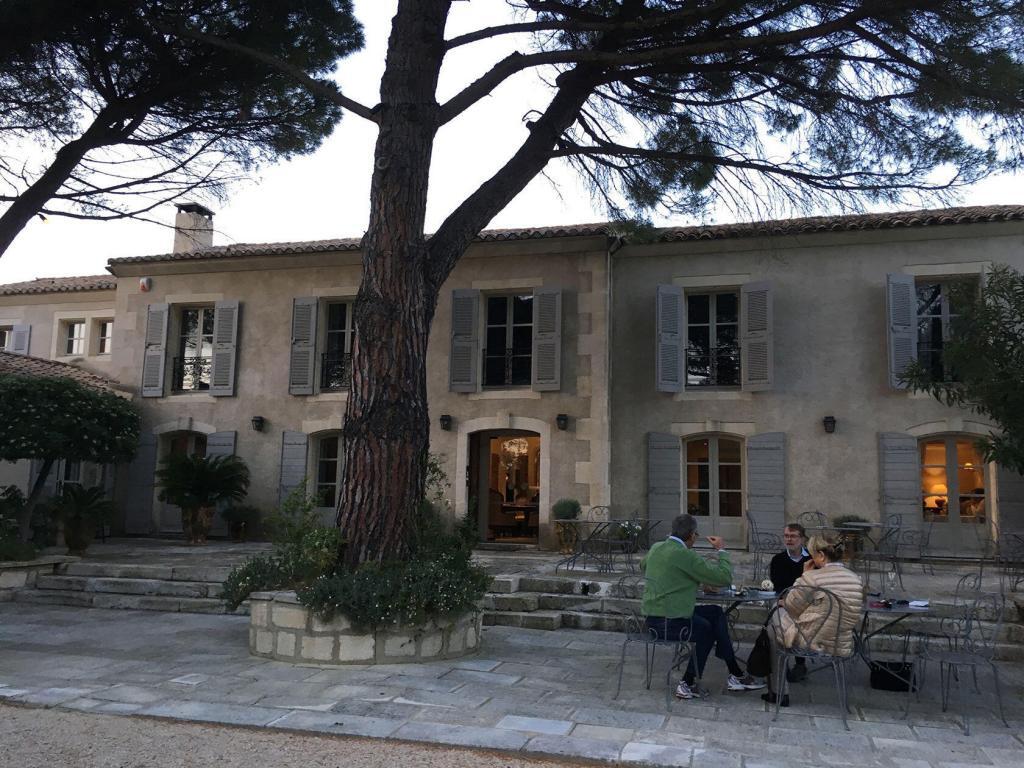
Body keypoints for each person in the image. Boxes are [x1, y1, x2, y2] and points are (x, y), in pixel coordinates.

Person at [641, 513, 765, 699]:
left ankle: (735, 673)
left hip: (653, 617)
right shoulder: (685, 555)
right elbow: (723, 578)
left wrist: (684, 581)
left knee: (715, 613)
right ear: (692, 535)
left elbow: (644, 566)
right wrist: (721, 551)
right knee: (706, 631)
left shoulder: (657, 547)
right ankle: (687, 683)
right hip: (669, 622)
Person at [762, 533, 864, 706]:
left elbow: (791, 606)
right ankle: (779, 688)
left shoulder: (812, 577)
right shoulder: (855, 579)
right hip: (841, 642)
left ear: (822, 556)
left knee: (773, 619)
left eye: (812, 555)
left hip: (811, 639)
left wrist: (804, 575)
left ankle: (779, 692)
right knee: (777, 626)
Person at [769, 523, 811, 682]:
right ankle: (783, 661)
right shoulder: (778, 559)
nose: (789, 539)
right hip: (784, 601)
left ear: (802, 539)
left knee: (802, 619)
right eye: (786, 536)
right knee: (779, 619)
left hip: (806, 603)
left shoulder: (812, 560)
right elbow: (777, 585)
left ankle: (800, 663)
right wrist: (785, 601)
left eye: (793, 536)